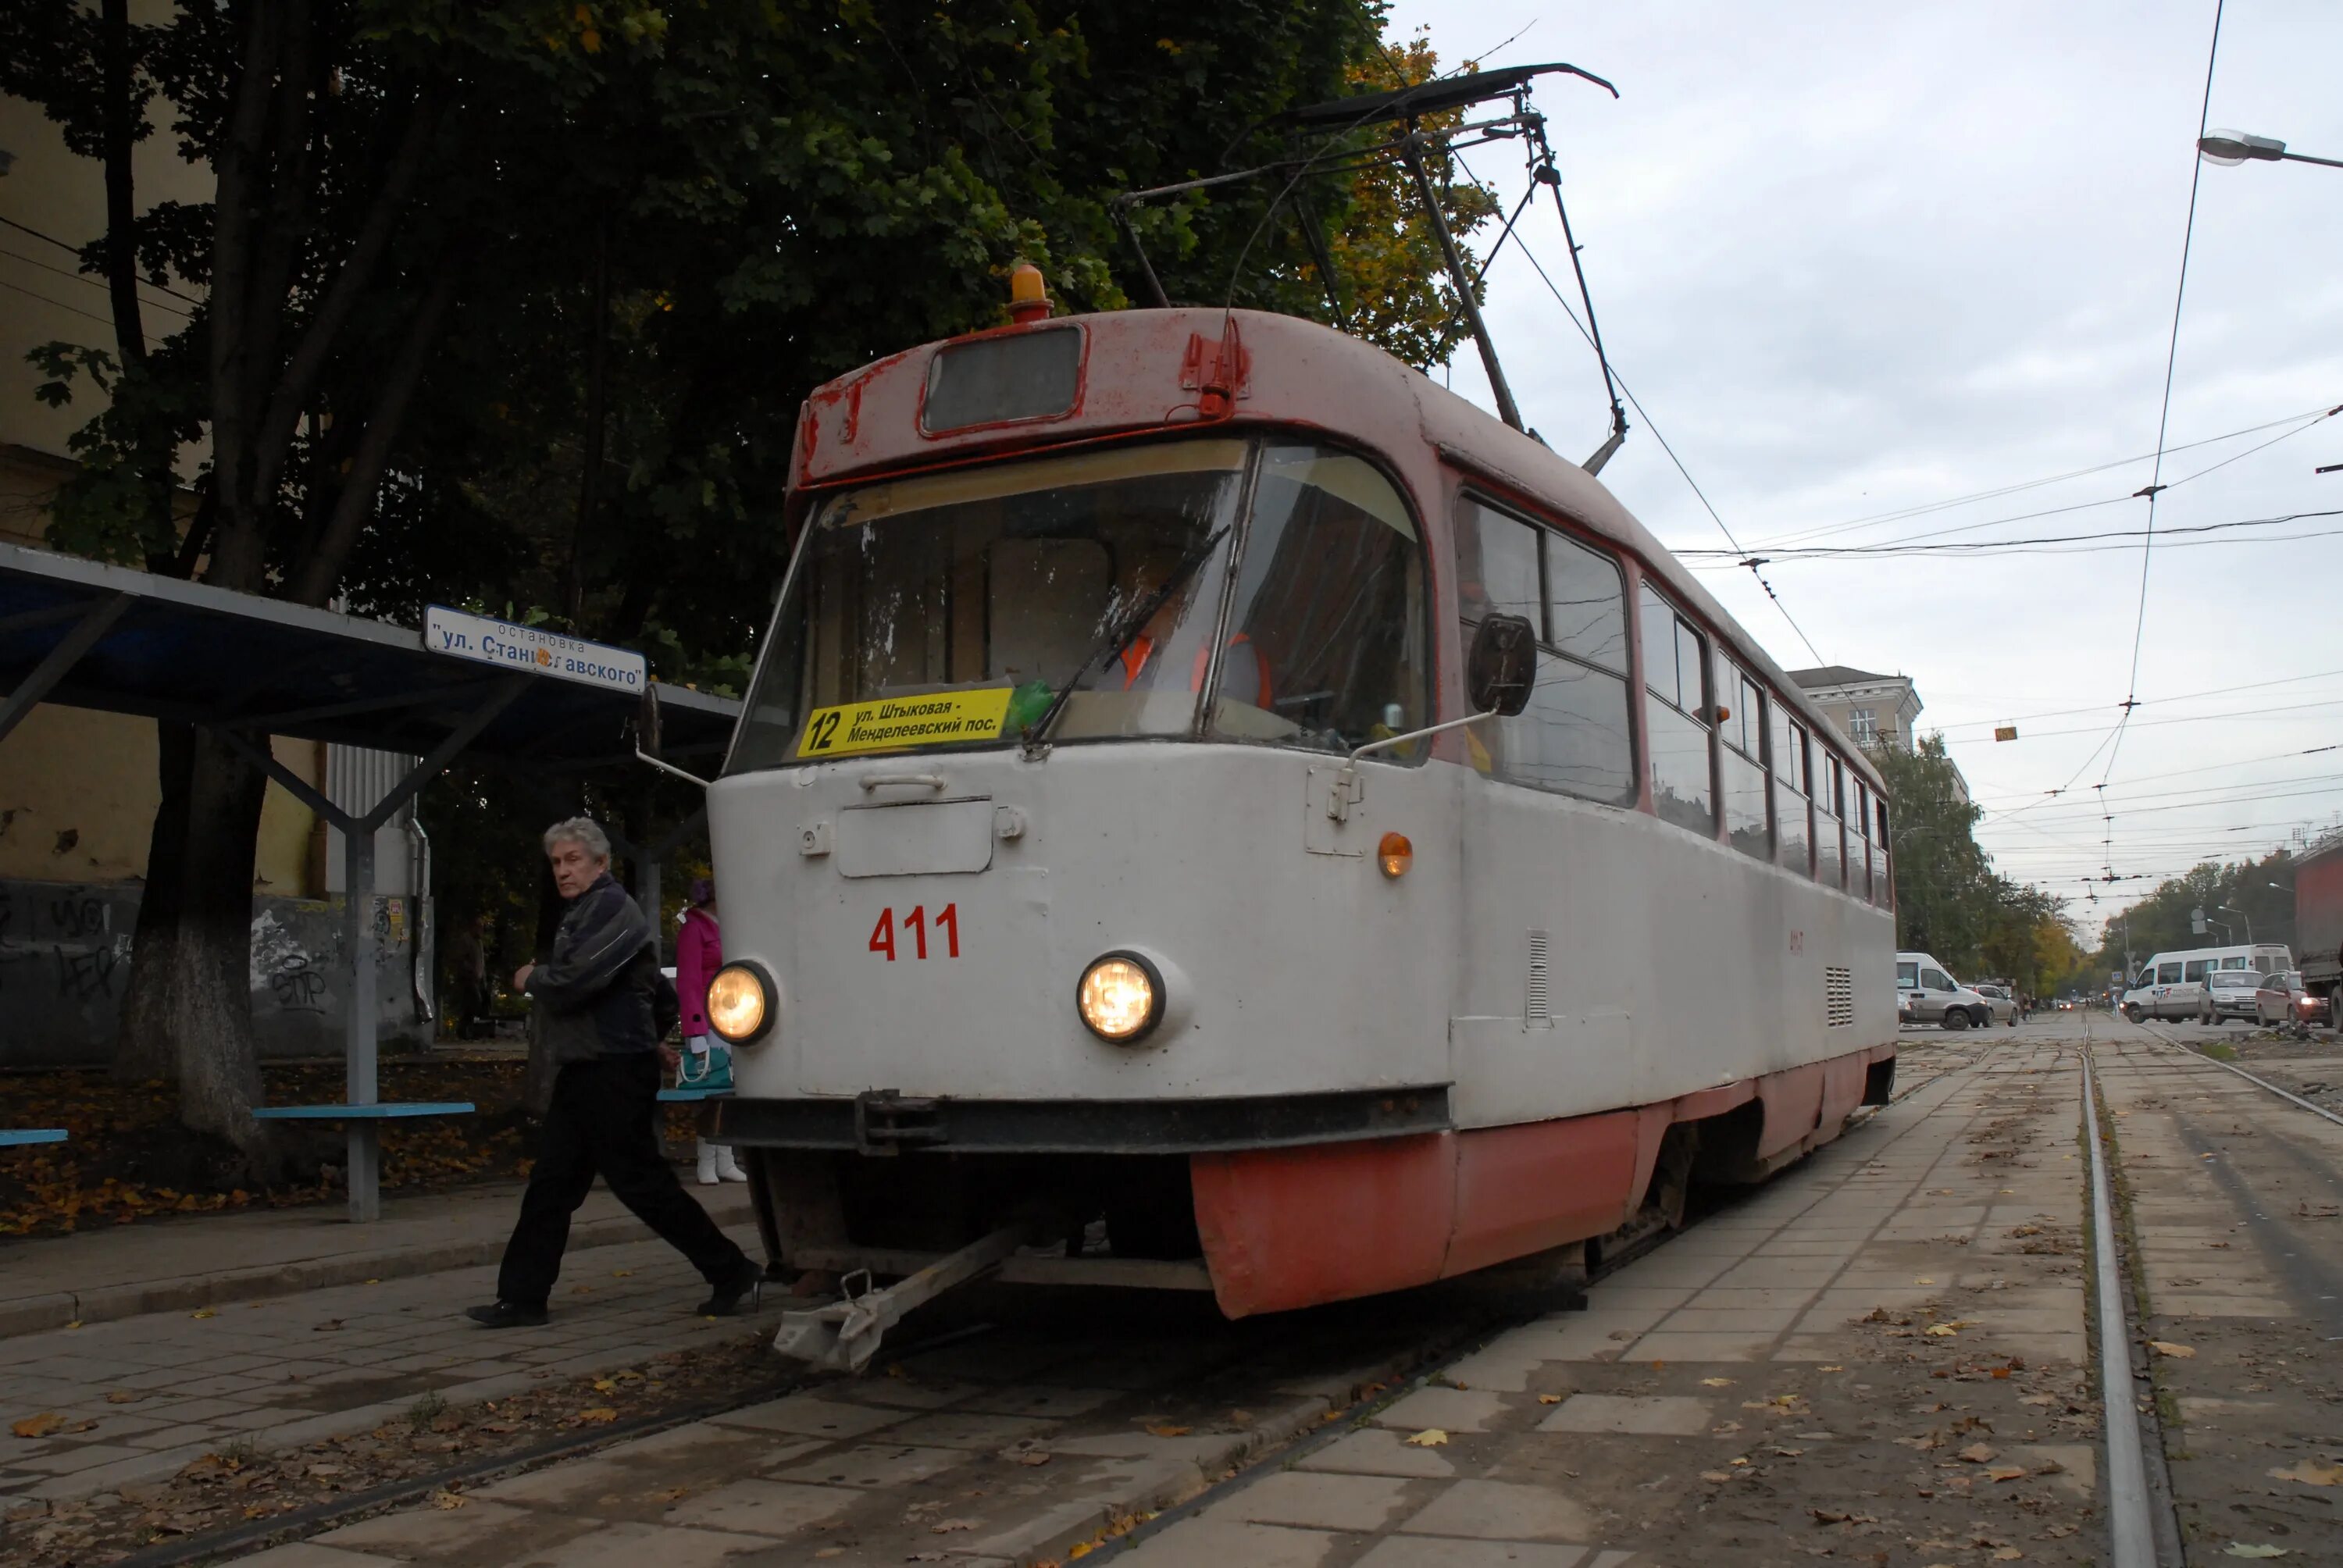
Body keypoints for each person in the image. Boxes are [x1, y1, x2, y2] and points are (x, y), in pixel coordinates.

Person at [466, 818, 763, 1329]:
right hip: (588, 1068)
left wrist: (529, 978)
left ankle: (733, 1271)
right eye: (557, 862)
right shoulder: (579, 913)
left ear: (601, 863)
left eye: (573, 860)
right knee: (553, 1183)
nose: (563, 871)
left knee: (639, 1182)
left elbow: (577, 981)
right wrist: (647, 1038)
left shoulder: (610, 907)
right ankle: (522, 1298)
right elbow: (662, 999)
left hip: (611, 1073)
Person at [675, 878, 747, 1185]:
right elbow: (688, 981)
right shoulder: (694, 929)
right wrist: (695, 1032)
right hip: (707, 1018)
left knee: (729, 1088)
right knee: (708, 1090)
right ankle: (707, 1162)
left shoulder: (725, 926)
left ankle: (725, 1160)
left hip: (732, 1015)